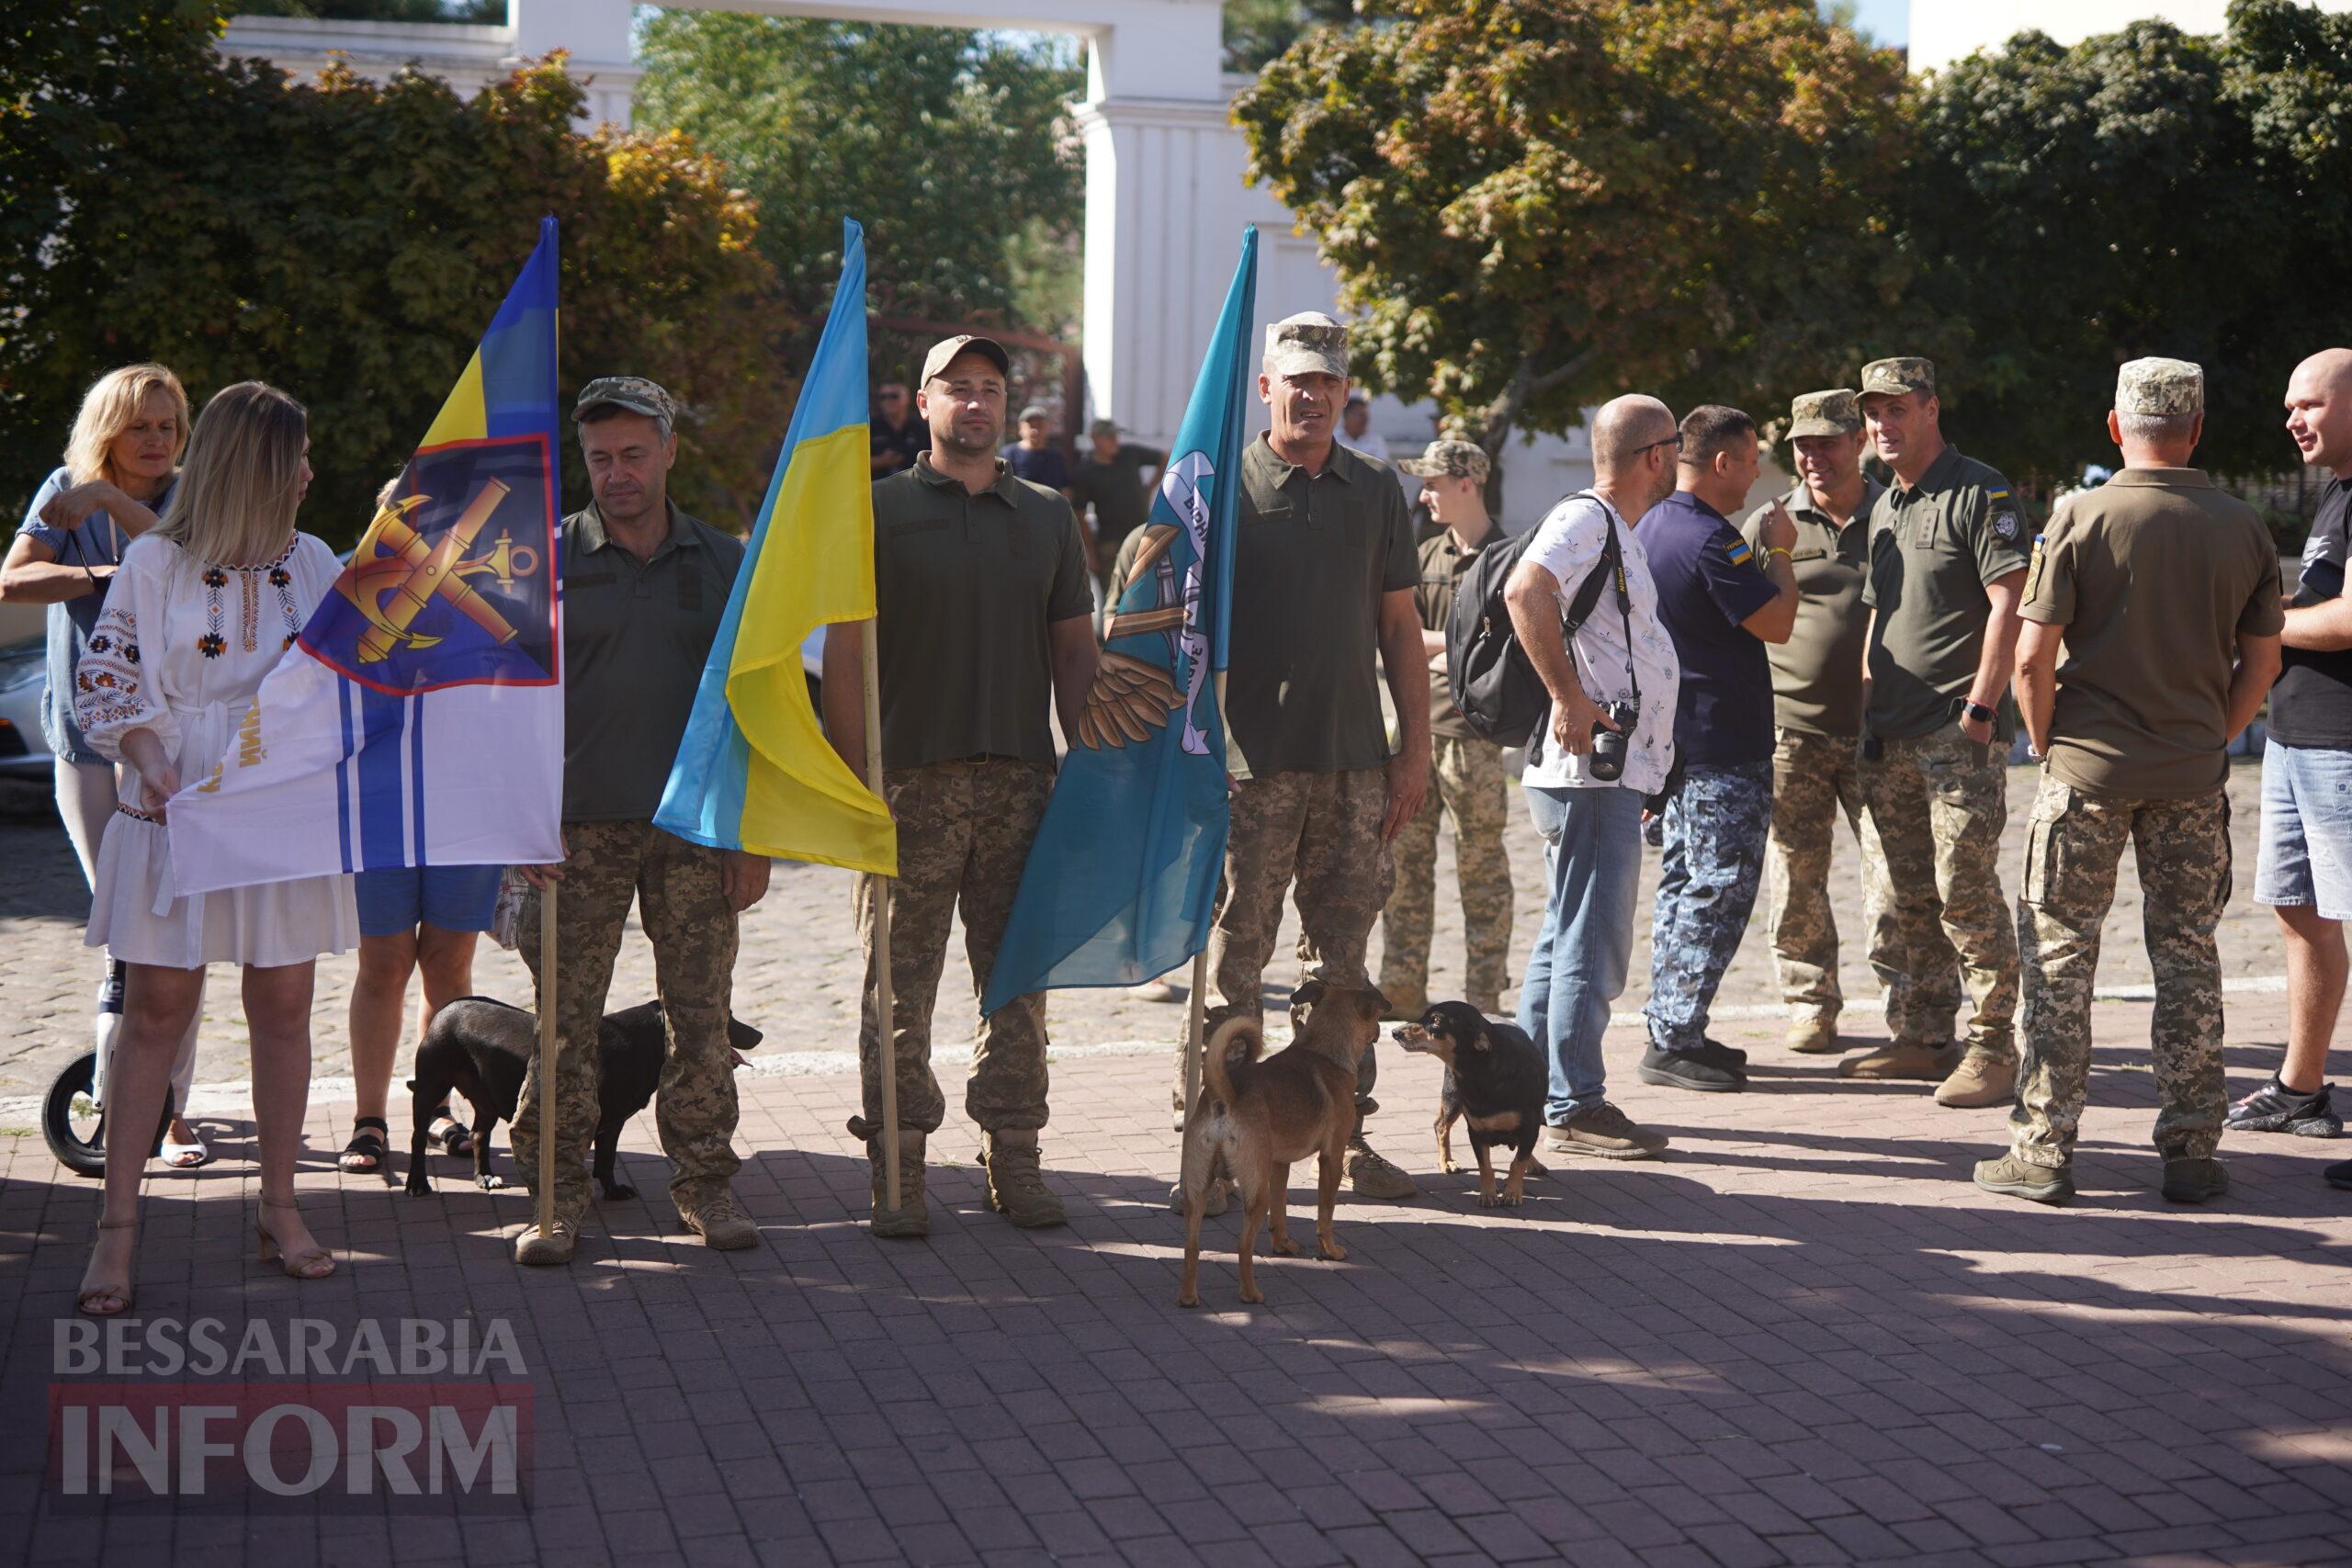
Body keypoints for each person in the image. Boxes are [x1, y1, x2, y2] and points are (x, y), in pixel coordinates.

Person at [70, 381, 356, 1313]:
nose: (310, 471)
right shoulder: (153, 562)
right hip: (181, 799)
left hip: (281, 803)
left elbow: (353, 679)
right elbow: (108, 688)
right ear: (259, 467)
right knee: (158, 1006)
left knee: (284, 1002)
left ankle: (280, 1205)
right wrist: (153, 764)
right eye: (298, 456)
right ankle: (117, 1226)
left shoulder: (313, 561)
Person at [1975, 358, 2282, 1205]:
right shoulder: (2243, 526)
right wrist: (2213, 733)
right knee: (2188, 955)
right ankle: (2190, 1149)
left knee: (2061, 956)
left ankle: (2044, 1150)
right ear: (2198, 427)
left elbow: (2034, 656)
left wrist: (2043, 739)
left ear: (2116, 427)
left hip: (2087, 771)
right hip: (2191, 771)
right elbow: (2263, 661)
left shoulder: (2079, 514)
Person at [823, 334, 1097, 1237]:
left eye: (990, 389)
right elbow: (848, 653)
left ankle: (1012, 1156)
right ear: (926, 405)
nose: (975, 404)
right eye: (957, 389)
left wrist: (1091, 767)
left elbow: (1071, 651)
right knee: (896, 989)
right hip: (906, 787)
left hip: (1020, 784)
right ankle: (896, 1164)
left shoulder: (1047, 515)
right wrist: (851, 784)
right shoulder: (876, 510)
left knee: (1016, 983)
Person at [511, 377, 772, 1266]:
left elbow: (755, 704)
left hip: (695, 827)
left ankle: (706, 1187)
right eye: (598, 459)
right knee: (564, 1021)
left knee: (700, 1019)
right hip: (571, 830)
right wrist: (516, 822)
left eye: (631, 454)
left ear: (667, 451)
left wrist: (749, 833)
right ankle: (555, 1199)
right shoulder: (541, 560)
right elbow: (502, 703)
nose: (616, 474)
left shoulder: (724, 560)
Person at [1175, 310, 1430, 1206]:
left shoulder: (1373, 489)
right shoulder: (1224, 489)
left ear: (1344, 390)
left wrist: (1413, 754)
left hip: (1355, 765)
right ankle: (1210, 1149)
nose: (1314, 395)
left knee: (1342, 974)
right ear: (1265, 388)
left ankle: (1339, 1142)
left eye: (1328, 380)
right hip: (1251, 770)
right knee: (1236, 967)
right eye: (1298, 379)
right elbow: (1176, 630)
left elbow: (1399, 626)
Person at [2, 364, 211, 1167]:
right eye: (142, 426)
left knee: (176, 928)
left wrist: (115, 516)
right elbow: (12, 580)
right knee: (134, 927)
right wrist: (103, 575)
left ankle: (171, 1109)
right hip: (88, 745)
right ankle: (131, 1102)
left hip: (176, 748)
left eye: (169, 425)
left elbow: (194, 565)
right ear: (108, 429)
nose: (158, 440)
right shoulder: (66, 488)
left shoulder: (193, 494)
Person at [1503, 395, 1681, 1157]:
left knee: (1566, 935)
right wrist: (1569, 698)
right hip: (1587, 774)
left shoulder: (1617, 530)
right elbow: (1524, 590)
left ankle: (1522, 1090)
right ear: (1654, 455)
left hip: (1602, 772)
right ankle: (1573, 1102)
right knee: (1592, 939)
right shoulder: (1588, 520)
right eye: (1677, 445)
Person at [1849, 357, 2028, 1110]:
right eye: (1873, 414)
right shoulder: (1886, 500)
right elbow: (1877, 615)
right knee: (1903, 894)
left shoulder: (1980, 490)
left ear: (1931, 408)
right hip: (1889, 729)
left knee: (1965, 890)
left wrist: (1983, 708)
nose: (1883, 426)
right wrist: (1864, 708)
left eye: (1897, 410)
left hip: (1956, 730)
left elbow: (2011, 599)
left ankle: (1993, 1046)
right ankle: (1923, 1034)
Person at [1740, 389, 1920, 1058]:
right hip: (1792, 731)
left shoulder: (1898, 513)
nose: (1813, 457)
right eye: (1801, 446)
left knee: (1896, 880)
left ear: (1859, 442)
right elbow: (1742, 616)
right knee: (1796, 877)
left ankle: (1910, 1012)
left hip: (1884, 732)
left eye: (1827, 442)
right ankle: (1809, 1003)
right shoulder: (1770, 523)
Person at [336, 474, 506, 1178]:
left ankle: (439, 1106)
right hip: (382, 802)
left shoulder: (493, 600)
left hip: (469, 802)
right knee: (382, 964)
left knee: (449, 964)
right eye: (402, 519)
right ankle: (369, 1117)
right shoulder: (353, 593)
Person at [1634, 406, 1798, 1093]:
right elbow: (1778, 621)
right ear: (1722, 462)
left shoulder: (1652, 525)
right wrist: (1781, 552)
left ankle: (1674, 1025)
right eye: (1752, 456)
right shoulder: (1710, 540)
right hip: (1719, 746)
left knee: (1684, 884)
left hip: (1679, 745)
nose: (1759, 470)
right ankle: (1673, 1035)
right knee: (1718, 889)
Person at [2245, 347, 2352, 1190]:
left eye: (2310, 403)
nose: (2294, 418)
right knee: (2298, 908)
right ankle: (2303, 1090)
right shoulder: (2335, 491)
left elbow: (2348, 620)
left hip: (2344, 748)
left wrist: (2258, 626)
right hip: (2296, 739)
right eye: (2291, 405)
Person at [1379, 438, 1513, 1017]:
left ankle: (1484, 995)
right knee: (1404, 870)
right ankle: (1401, 990)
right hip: (1413, 732)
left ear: (1467, 484)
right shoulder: (1424, 553)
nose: (1424, 493)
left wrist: (1434, 647)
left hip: (1473, 739)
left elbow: (1499, 651)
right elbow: (1391, 636)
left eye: (1434, 482)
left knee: (1481, 871)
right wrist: (1451, 648)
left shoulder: (1508, 557)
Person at [1069, 417, 1163, 597]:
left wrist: (1151, 486)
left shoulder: (1129, 454)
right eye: (1109, 437)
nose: (1115, 440)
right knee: (1114, 594)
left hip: (1143, 536)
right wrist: (1090, 553)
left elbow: (1165, 457)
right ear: (1095, 439)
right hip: (1109, 544)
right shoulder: (1085, 471)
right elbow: (1080, 514)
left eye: (1115, 436)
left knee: (1146, 590)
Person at [1002, 403, 1073, 495]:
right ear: (1020, 428)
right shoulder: (1008, 454)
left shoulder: (1056, 456)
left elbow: (1065, 489)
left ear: (1047, 427)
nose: (1035, 431)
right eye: (1031, 426)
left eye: (1040, 426)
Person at [869, 380, 929, 479]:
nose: (888, 401)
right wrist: (880, 461)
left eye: (894, 396)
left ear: (908, 399)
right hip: (878, 489)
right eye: (883, 397)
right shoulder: (870, 428)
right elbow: (853, 464)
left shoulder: (920, 428)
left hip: (915, 487)